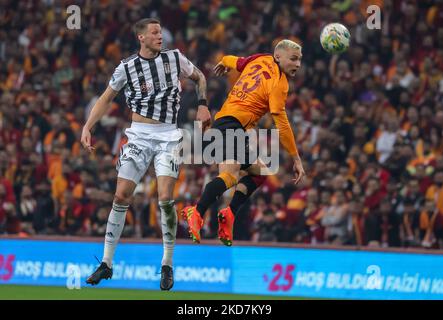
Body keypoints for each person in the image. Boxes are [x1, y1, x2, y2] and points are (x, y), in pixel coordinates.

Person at [82, 18, 211, 290]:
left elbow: (200, 77)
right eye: (154, 33)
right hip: (139, 134)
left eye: (161, 32)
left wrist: (203, 105)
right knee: (120, 195)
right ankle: (106, 263)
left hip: (168, 135)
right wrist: (88, 126)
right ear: (141, 37)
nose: (159, 36)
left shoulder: (175, 58)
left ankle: (167, 264)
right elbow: (106, 97)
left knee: (165, 197)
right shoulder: (127, 67)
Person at [181, 39, 306, 246]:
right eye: (293, 59)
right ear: (278, 57)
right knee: (230, 177)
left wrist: (223, 61)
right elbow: (282, 124)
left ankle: (229, 213)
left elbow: (235, 61)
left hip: (224, 122)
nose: (298, 64)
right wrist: (296, 158)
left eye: (299, 60)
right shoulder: (280, 83)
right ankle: (197, 210)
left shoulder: (260, 58)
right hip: (232, 126)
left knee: (261, 172)